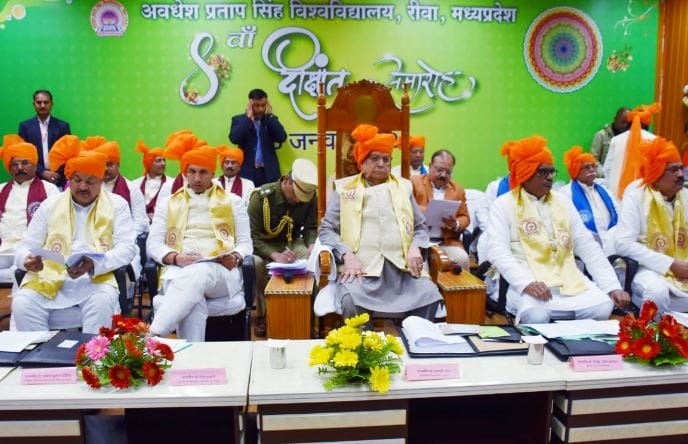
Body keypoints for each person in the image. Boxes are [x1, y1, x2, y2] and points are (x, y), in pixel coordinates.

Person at [486, 135, 629, 323]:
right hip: (526, 280)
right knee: (536, 314)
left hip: (567, 279)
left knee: (602, 305)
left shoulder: (563, 202)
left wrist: (612, 286)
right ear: (525, 172)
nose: (549, 177)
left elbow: (588, 246)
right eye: (542, 172)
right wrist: (526, 282)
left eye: (551, 172)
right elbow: (498, 251)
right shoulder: (503, 204)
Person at [319, 124, 443, 325]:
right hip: (361, 270)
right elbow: (326, 230)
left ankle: (414, 340)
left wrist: (415, 247)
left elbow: (420, 227)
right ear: (362, 161)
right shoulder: (344, 189)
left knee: (429, 294)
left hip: (402, 271)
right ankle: (364, 344)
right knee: (350, 301)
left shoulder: (404, 187)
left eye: (386, 159)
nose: (381, 164)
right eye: (374, 158)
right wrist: (347, 255)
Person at [11, 143, 136, 333]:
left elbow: (126, 248)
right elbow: (26, 245)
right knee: (22, 302)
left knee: (102, 301)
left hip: (94, 279)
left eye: (90, 181)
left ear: (101, 181)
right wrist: (26, 260)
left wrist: (95, 263)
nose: (83, 187)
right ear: (69, 179)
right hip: (50, 275)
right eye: (77, 180)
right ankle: (39, 352)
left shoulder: (117, 205)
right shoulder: (50, 204)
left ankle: (91, 352)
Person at [148, 146, 252, 341]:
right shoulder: (168, 203)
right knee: (194, 300)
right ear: (185, 172)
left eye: (203, 172)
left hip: (220, 272)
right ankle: (192, 355)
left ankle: (153, 334)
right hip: (178, 269)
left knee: (200, 271)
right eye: (192, 171)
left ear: (212, 173)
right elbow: (153, 244)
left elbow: (246, 244)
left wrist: (235, 256)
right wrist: (176, 258)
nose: (196, 178)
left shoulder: (233, 201)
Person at [615, 137, 688, 314]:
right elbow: (623, 244)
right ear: (657, 173)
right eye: (673, 169)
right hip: (646, 267)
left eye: (681, 168)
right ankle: (654, 332)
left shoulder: (685, 196)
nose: (680, 174)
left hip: (684, 266)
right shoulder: (636, 196)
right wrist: (670, 264)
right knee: (657, 293)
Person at [248, 158, 318, 337]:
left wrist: (312, 244)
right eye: (296, 195)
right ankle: (265, 316)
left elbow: (310, 227)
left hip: (292, 241)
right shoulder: (261, 198)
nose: (298, 200)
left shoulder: (310, 196)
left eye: (302, 198)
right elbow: (251, 236)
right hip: (264, 245)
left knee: (312, 259)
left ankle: (309, 315)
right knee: (256, 265)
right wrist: (273, 255)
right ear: (287, 181)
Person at [0, 135, 59, 283]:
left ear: (35, 165)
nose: (20, 168)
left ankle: (16, 274)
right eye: (14, 164)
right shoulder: (1, 189)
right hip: (3, 251)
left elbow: (56, 226)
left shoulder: (50, 190)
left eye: (25, 163)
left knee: (28, 269)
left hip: (31, 252)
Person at [410, 149, 470, 269]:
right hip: (419, 241)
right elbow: (405, 207)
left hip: (446, 242)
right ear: (430, 166)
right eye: (439, 170)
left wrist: (456, 224)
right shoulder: (413, 182)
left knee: (462, 259)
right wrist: (425, 211)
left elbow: (465, 217)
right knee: (422, 267)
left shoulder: (457, 189)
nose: (443, 175)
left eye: (448, 172)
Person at [83, 137, 149, 237]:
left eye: (109, 165)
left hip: (125, 238)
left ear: (118, 165)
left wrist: (125, 238)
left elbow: (139, 221)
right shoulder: (91, 188)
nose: (105, 169)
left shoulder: (132, 189)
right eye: (102, 164)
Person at [559, 146, 619, 256]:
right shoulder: (565, 193)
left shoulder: (604, 189)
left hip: (613, 244)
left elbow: (618, 212)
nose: (592, 170)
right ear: (576, 170)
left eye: (593, 166)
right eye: (586, 167)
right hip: (586, 248)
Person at [229, 88, 287, 186]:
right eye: (257, 105)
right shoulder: (239, 120)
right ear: (250, 104)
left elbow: (282, 137)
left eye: (263, 105)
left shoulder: (271, 120)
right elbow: (234, 139)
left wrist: (270, 116)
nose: (260, 109)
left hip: (268, 173)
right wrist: (248, 118)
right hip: (247, 172)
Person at [604, 103, 660, 199]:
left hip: (615, 195)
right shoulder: (655, 140)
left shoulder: (616, 140)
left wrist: (613, 185)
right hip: (643, 196)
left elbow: (607, 169)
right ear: (647, 123)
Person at [17, 90, 71, 187]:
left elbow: (68, 153)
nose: (42, 105)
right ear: (34, 104)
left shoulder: (62, 126)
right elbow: (23, 155)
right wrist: (42, 172)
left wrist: (56, 174)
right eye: (39, 102)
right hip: (34, 178)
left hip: (58, 179)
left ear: (51, 104)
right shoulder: (25, 127)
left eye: (46, 102)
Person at [132, 140, 172, 223]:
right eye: (158, 160)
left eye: (164, 160)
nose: (163, 163)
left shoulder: (172, 183)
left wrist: (157, 216)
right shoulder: (135, 184)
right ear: (149, 163)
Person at [590, 107, 630, 177]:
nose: (625, 125)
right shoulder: (601, 135)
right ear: (615, 119)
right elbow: (593, 158)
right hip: (604, 178)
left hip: (623, 177)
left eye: (628, 123)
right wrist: (603, 174)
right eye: (623, 122)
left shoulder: (630, 137)